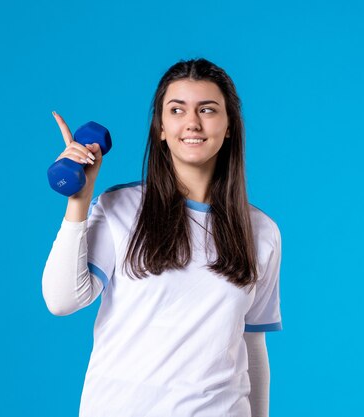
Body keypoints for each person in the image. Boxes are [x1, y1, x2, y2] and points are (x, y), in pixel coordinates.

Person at [42, 58, 282, 417]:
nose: (192, 122)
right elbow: (62, 301)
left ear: (230, 126)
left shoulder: (261, 231)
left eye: (208, 109)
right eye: (177, 110)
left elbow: (252, 345)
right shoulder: (120, 208)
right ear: (161, 129)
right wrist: (78, 203)